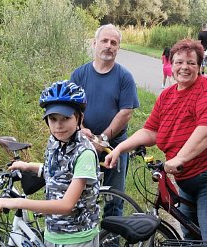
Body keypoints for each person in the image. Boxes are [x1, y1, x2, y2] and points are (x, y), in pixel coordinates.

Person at [104, 39, 207, 242]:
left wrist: (179, 158)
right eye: (179, 62)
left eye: (191, 63)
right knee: (191, 237)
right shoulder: (167, 96)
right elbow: (151, 131)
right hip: (187, 178)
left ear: (199, 66)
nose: (184, 67)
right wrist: (120, 148)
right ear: (171, 65)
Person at [0, 80, 101, 247]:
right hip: (53, 233)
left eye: (66, 118)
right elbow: (58, 172)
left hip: (77, 238)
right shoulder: (55, 142)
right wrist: (28, 166)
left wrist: (17, 202)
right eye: (53, 118)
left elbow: (66, 205)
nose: (58, 125)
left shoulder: (85, 153)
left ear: (79, 118)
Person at [70, 24, 140, 218]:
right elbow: (71, 109)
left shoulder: (124, 77)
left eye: (113, 43)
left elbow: (125, 112)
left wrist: (103, 139)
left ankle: (111, 241)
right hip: (82, 144)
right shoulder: (79, 75)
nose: (108, 46)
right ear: (94, 44)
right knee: (80, 195)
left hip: (114, 147)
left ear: (118, 48)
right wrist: (81, 128)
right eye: (104, 41)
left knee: (114, 198)